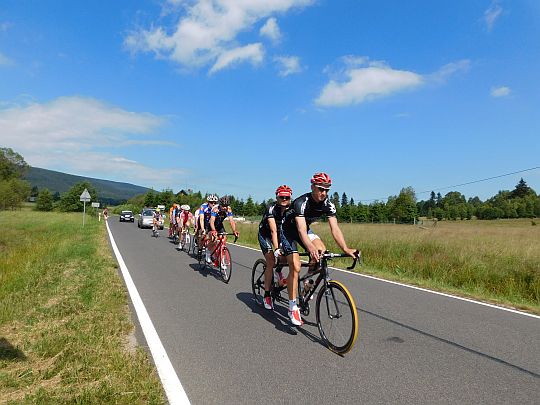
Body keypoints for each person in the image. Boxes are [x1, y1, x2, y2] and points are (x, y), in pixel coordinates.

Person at [280, 172, 357, 326]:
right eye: (321, 189)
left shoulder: (328, 204)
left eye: (327, 190)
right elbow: (301, 231)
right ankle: (292, 306)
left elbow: (335, 229)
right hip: (289, 230)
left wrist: (346, 248)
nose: (324, 193)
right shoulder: (301, 202)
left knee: (321, 250)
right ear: (312, 187)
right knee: (295, 266)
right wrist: (309, 247)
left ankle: (307, 281)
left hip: (303, 230)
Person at [258, 185, 292, 310]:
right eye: (281, 197)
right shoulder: (271, 208)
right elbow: (273, 231)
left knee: (286, 256)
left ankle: (278, 271)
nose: (284, 199)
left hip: (281, 234)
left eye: (286, 197)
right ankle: (267, 295)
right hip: (265, 234)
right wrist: (277, 249)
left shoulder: (292, 209)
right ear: (277, 197)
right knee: (271, 261)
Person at [206, 195, 239, 265]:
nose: (224, 207)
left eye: (226, 205)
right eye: (223, 205)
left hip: (219, 225)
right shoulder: (215, 209)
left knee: (224, 239)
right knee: (213, 239)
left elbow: (231, 221)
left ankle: (222, 260)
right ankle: (208, 253)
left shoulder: (228, 209)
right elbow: (212, 222)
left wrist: (234, 231)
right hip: (211, 225)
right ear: (220, 204)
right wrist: (214, 231)